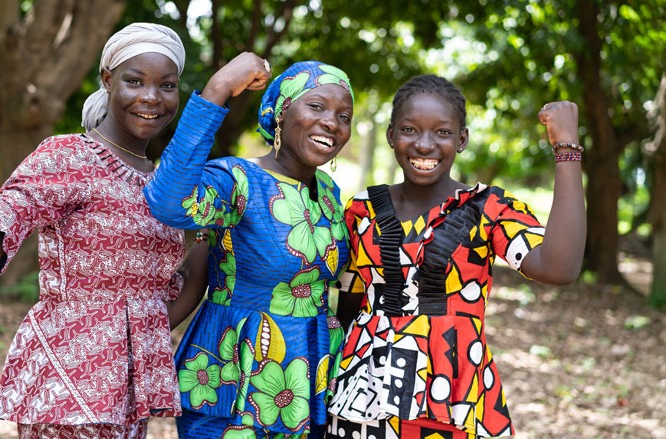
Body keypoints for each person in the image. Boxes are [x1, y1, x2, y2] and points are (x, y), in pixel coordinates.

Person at [0, 22, 207, 438]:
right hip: (66, 393)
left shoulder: (165, 185)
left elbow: (164, 299)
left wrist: (223, 230)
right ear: (107, 80)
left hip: (128, 402)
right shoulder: (69, 157)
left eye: (166, 85)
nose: (151, 98)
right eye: (134, 81)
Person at [326, 74, 586, 438]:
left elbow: (560, 268)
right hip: (363, 397)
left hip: (452, 395)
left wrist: (567, 150)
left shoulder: (488, 210)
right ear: (391, 136)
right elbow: (348, 307)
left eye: (443, 132)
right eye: (410, 130)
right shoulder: (362, 211)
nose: (425, 145)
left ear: (462, 139)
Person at [141, 54, 356, 438]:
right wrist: (218, 89)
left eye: (344, 116)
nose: (331, 122)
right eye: (317, 106)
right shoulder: (237, 179)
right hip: (235, 373)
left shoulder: (329, 193)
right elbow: (169, 201)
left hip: (310, 376)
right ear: (281, 114)